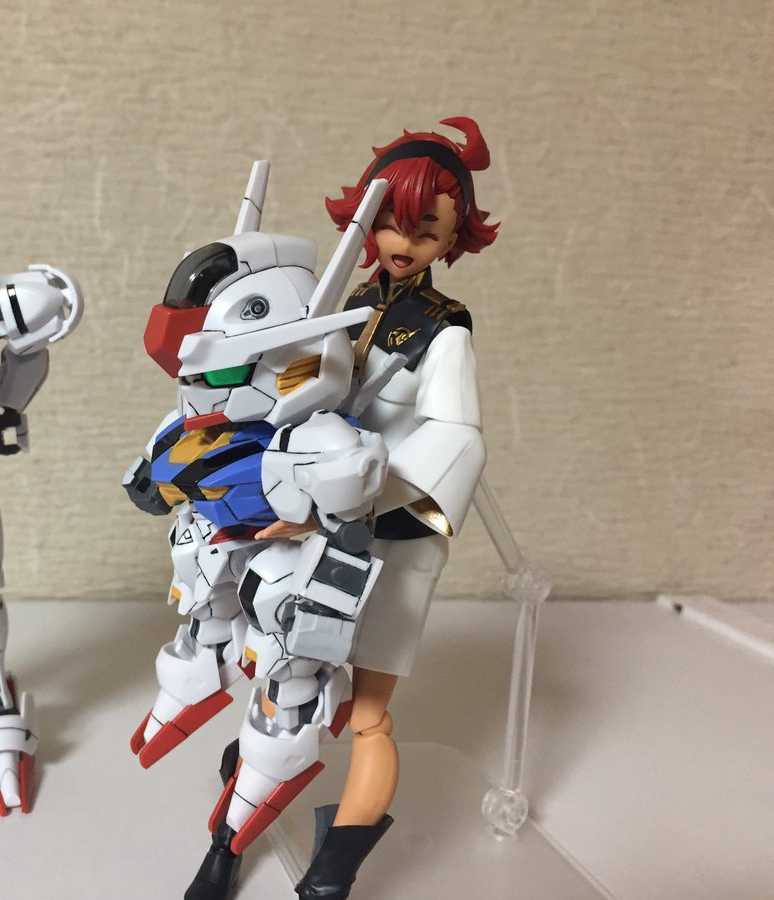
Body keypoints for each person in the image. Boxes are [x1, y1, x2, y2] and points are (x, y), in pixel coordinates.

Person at [296, 117, 499, 898]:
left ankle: (339, 859)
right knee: (295, 658)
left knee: (370, 712)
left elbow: (457, 438)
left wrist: (368, 492)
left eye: (425, 229)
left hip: (396, 527)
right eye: (390, 222)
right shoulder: (348, 302)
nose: (403, 242)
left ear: (452, 237)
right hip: (327, 517)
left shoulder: (444, 332)